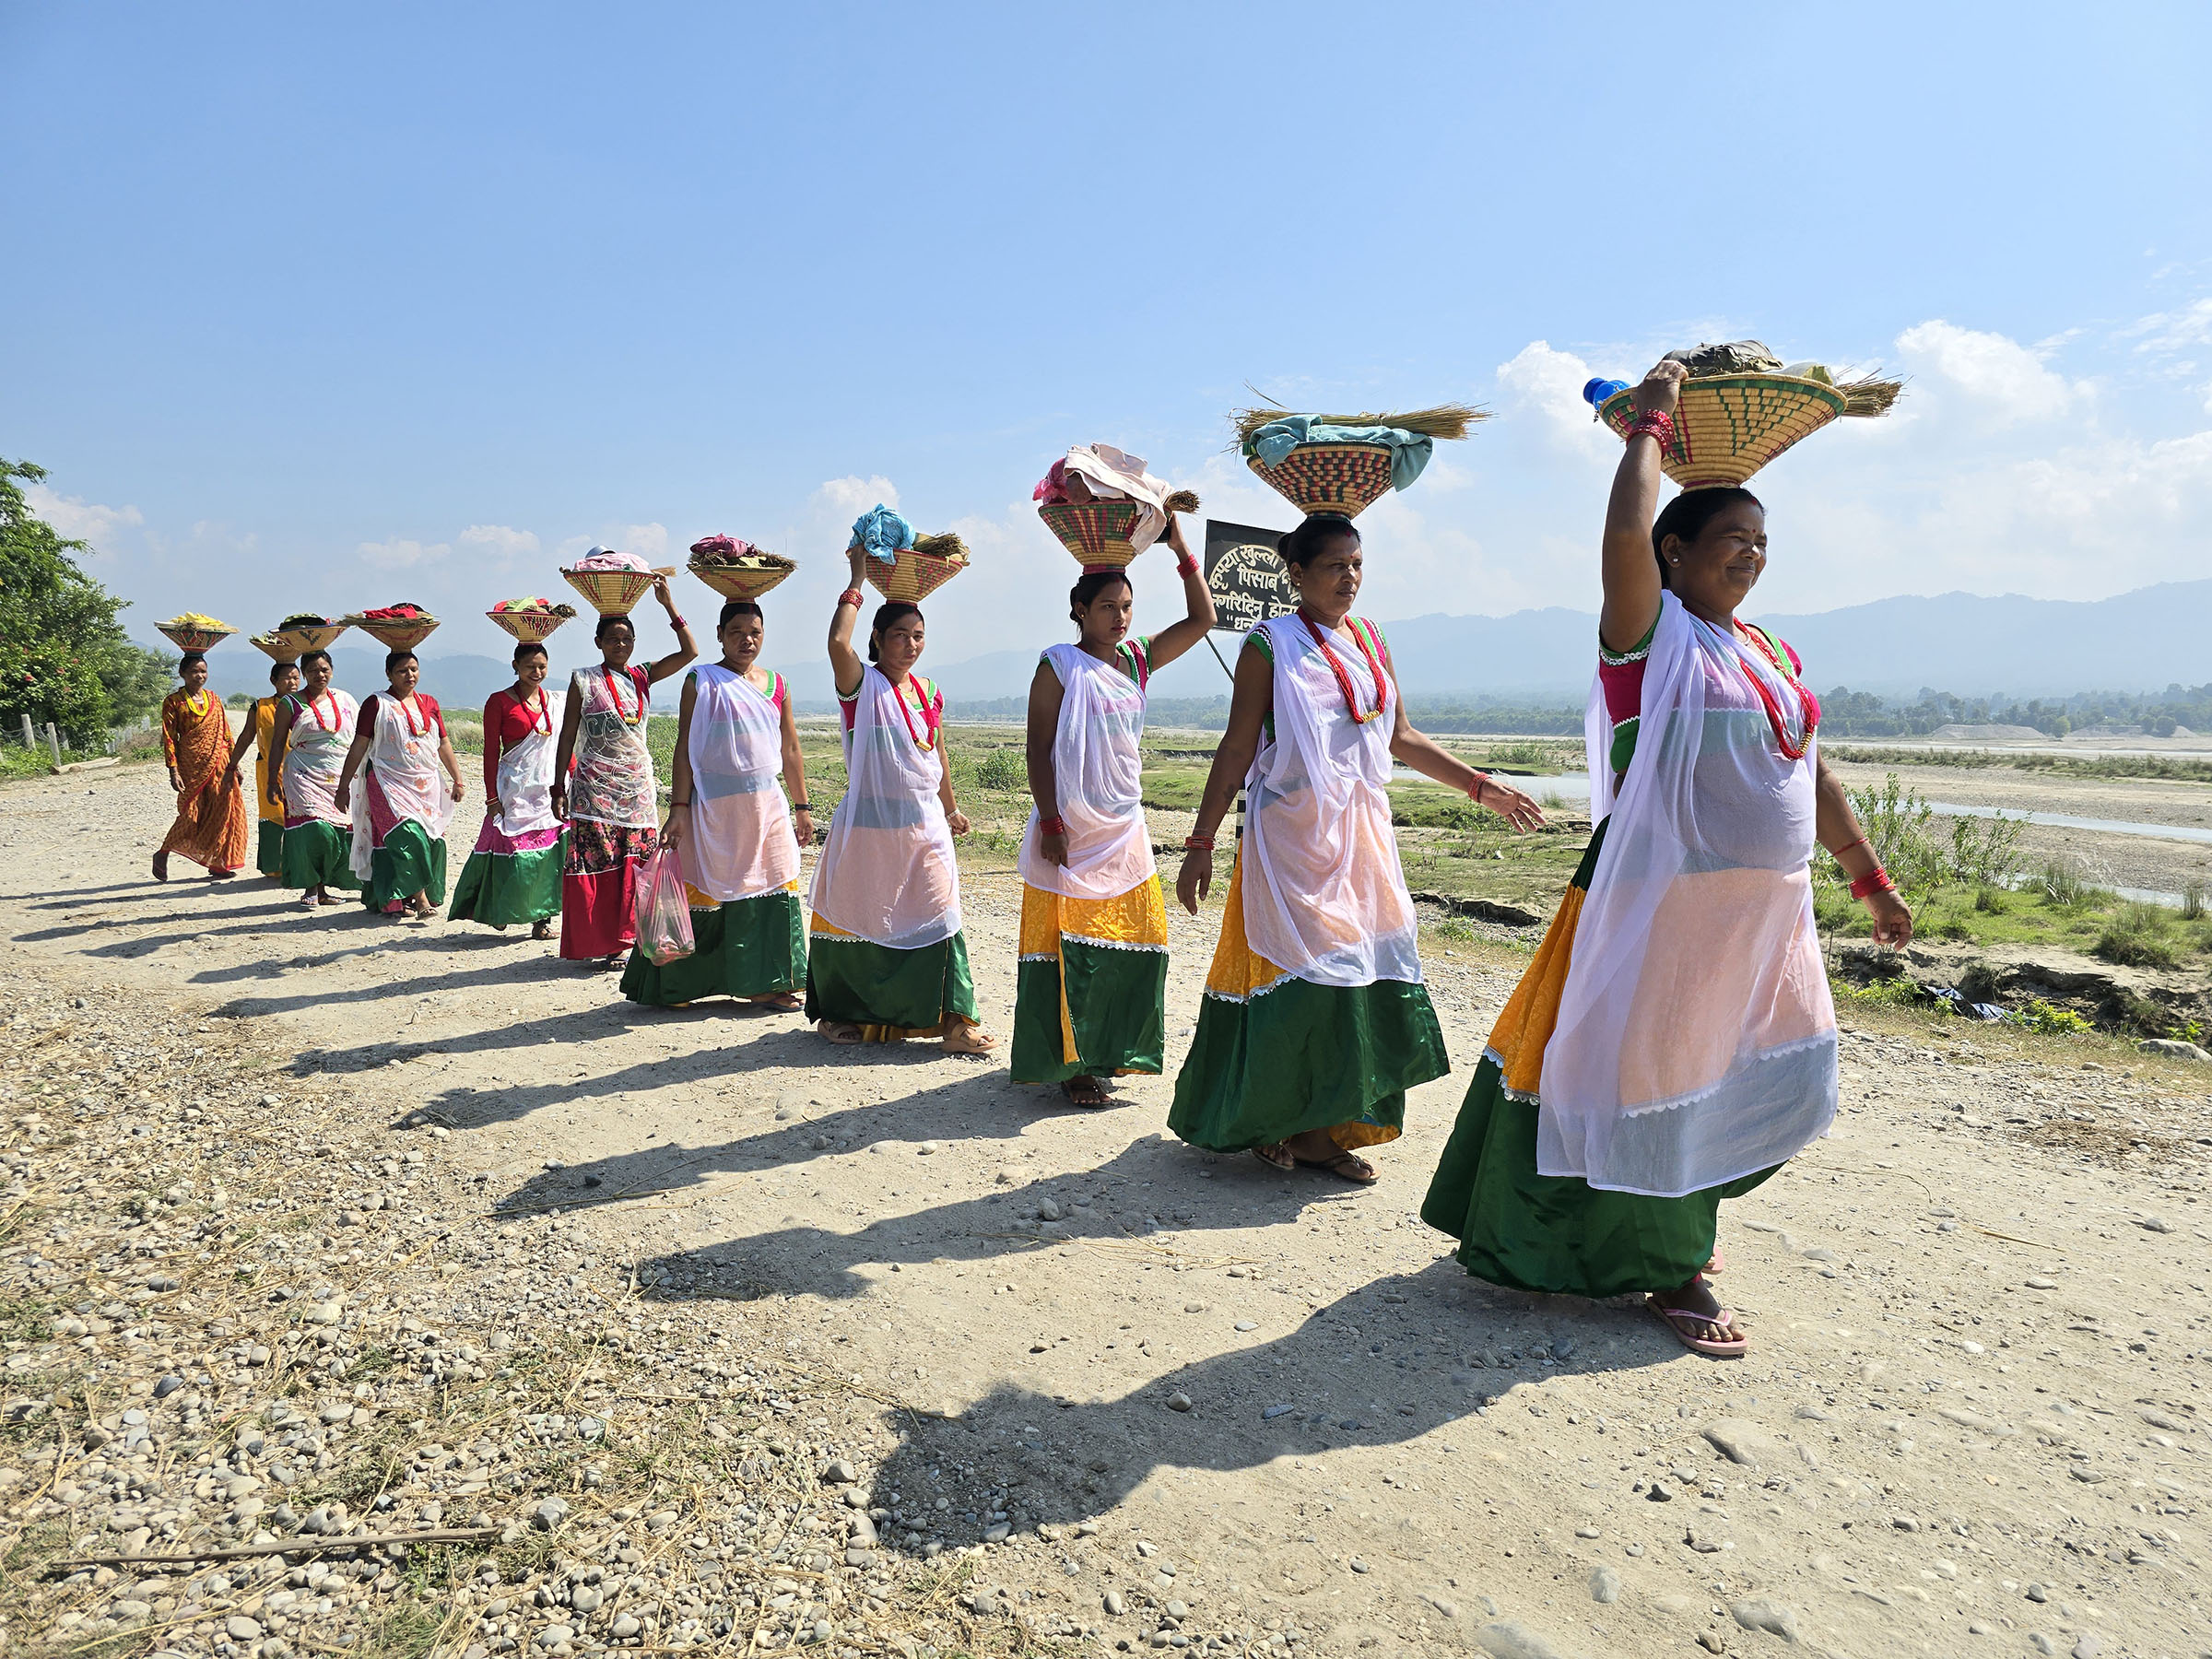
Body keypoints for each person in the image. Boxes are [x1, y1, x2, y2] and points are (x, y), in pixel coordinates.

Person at [1421, 358, 1914, 1359]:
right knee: (1651, 1072)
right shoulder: (1650, 642)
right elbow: (1618, 539)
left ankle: (1665, 1223)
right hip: (1663, 908)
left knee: (1738, 1070)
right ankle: (1670, 1263)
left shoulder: (1766, 654)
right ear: (1674, 554)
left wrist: (1868, 873)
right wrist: (1650, 426)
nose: (1754, 558)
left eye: (1764, 544)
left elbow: (1809, 769)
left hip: (1762, 920)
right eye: (1735, 540)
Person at [1170, 514, 1545, 1182]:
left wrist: (1483, 787)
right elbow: (1235, 748)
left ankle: (1324, 1127)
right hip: (1293, 839)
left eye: (1357, 564)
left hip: (1363, 836)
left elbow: (1401, 736)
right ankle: (1292, 1125)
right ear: (1297, 574)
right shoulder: (1270, 645)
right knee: (1310, 979)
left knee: (1364, 971)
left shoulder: (1370, 640)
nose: (1350, 578)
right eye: (1335, 565)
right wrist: (1200, 842)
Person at [1013, 512, 1217, 1105]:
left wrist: (1183, 553)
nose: (1120, 617)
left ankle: (1114, 1051)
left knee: (1140, 936)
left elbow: (1203, 620)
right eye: (1107, 607)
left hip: (1124, 824)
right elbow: (1039, 746)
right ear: (1079, 610)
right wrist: (1050, 822)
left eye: (1126, 606)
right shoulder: (1058, 664)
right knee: (1070, 943)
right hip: (1071, 829)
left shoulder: (1137, 660)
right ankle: (1074, 1064)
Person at [805, 544, 994, 1051]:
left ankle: (955, 1021)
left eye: (917, 637)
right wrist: (857, 577)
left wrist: (950, 806)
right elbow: (836, 643)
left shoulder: (928, 690)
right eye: (899, 636)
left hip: (924, 823)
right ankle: (840, 1013)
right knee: (864, 915)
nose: (910, 646)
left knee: (940, 910)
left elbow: (937, 751)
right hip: (869, 827)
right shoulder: (860, 684)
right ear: (877, 639)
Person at [623, 598, 814, 1009]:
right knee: (707, 889)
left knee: (775, 882)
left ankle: (771, 981)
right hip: (712, 809)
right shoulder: (701, 680)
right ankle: (679, 985)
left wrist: (802, 806)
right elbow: (684, 746)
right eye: (736, 633)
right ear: (720, 636)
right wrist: (679, 807)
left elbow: (791, 748)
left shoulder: (777, 684)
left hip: (768, 808)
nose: (747, 640)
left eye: (755, 633)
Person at [550, 576, 697, 965]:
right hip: (592, 789)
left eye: (627, 639)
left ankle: (632, 938)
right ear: (598, 642)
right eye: (613, 639)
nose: (621, 645)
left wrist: (669, 605)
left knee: (637, 862)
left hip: (635, 789)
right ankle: (605, 943)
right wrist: (557, 786)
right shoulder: (584, 679)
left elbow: (689, 652)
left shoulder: (641, 676)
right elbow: (568, 735)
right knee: (601, 862)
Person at [335, 650, 465, 920]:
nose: (410, 675)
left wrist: (458, 779)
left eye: (414, 669)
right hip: (386, 781)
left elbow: (442, 743)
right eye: (402, 671)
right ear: (389, 674)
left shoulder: (429, 703)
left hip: (425, 783)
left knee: (428, 838)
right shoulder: (376, 703)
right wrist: (343, 785)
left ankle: (395, 899)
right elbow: (359, 745)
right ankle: (420, 900)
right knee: (406, 835)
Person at [448, 641, 566, 939]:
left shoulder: (554, 701)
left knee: (547, 852)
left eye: (542, 666)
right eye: (530, 667)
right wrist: (492, 797)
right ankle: (500, 907)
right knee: (511, 851)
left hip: (547, 790)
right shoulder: (499, 701)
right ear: (515, 666)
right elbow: (490, 752)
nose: (537, 672)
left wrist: (569, 783)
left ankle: (542, 919)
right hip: (513, 788)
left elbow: (564, 745)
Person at [268, 649, 360, 906]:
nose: (319, 674)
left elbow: (361, 737)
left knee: (336, 831)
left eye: (324, 669)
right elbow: (277, 744)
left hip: (340, 775)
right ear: (304, 674)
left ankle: (324, 888)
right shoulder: (291, 703)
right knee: (315, 830)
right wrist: (270, 781)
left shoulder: (345, 700)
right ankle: (310, 887)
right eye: (312, 670)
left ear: (332, 670)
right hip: (302, 775)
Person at [153, 653, 250, 882]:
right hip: (191, 766)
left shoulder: (214, 699)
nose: (200, 676)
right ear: (182, 674)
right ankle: (163, 852)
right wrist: (173, 770)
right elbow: (169, 738)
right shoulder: (173, 702)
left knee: (223, 810)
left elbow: (225, 733)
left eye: (203, 671)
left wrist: (235, 765)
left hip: (220, 763)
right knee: (191, 813)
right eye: (194, 671)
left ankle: (219, 863)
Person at [222, 658, 301, 880]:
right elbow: (247, 736)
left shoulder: (306, 704)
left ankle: (302, 867)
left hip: (304, 771)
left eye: (296, 677)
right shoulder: (261, 706)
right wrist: (232, 764)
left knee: (303, 817)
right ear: (273, 680)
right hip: (270, 770)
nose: (292, 682)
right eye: (286, 677)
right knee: (273, 816)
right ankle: (274, 866)